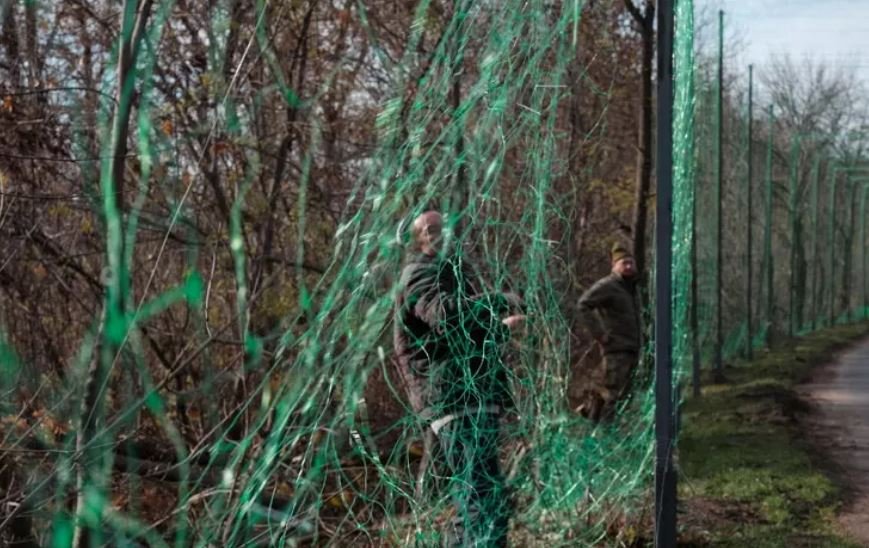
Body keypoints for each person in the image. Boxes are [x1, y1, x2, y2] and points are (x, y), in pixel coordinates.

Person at [394, 211, 524, 547]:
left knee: (483, 496)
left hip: (476, 395)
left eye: (444, 228)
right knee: (481, 495)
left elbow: (466, 334)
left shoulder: (456, 274)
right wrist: (498, 301)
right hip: (452, 396)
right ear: (418, 239)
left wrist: (499, 329)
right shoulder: (418, 274)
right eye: (431, 230)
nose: (441, 235)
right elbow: (445, 315)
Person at [576, 242, 642, 422]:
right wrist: (600, 334)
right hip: (616, 349)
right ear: (614, 266)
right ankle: (605, 435)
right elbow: (583, 304)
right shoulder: (608, 285)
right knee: (614, 395)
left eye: (631, 263)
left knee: (625, 395)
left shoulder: (631, 288)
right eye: (624, 263)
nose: (628, 267)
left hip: (632, 348)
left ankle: (592, 416)